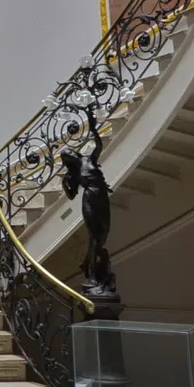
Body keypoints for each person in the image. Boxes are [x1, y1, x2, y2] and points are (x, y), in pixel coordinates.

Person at [60, 108, 116, 298]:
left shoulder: (88, 159)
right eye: (68, 155)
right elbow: (70, 196)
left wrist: (92, 128)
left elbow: (99, 145)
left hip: (102, 196)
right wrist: (64, 182)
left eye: (71, 152)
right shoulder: (73, 174)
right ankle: (91, 275)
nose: (71, 154)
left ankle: (88, 264)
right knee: (94, 236)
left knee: (104, 233)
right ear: (69, 161)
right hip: (89, 199)